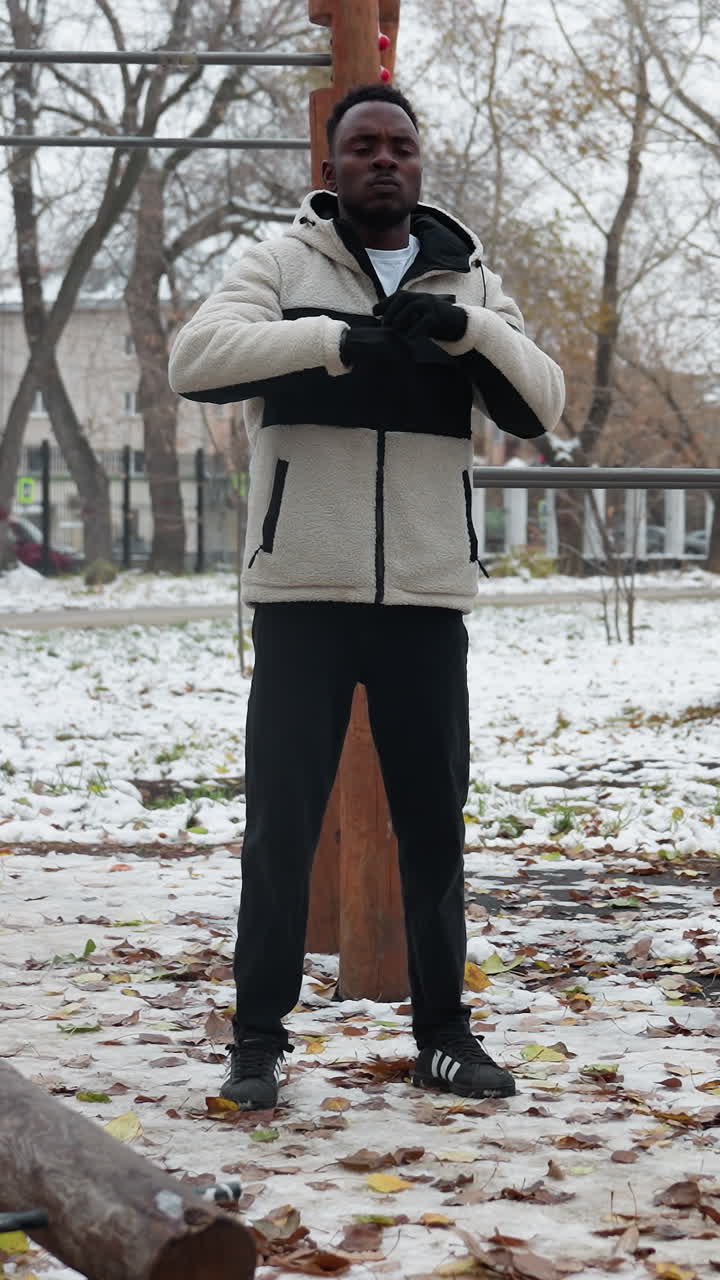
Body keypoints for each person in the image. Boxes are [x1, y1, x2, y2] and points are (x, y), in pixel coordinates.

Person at [168, 83, 564, 1111]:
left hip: (426, 599)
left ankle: (444, 1036)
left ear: (419, 164)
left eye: (401, 145)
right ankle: (258, 1040)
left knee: (434, 826)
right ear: (331, 166)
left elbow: (544, 399)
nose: (385, 158)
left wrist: (468, 327)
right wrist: (331, 340)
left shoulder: (470, 274)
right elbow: (195, 358)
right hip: (302, 590)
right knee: (281, 829)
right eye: (364, 145)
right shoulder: (279, 264)